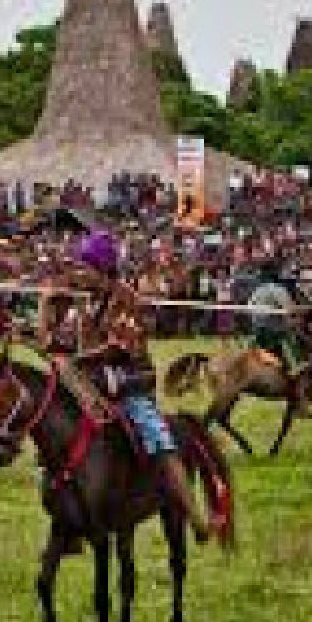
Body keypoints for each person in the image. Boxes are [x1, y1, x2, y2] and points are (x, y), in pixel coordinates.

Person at [67, 231, 212, 543]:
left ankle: (194, 514)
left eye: (86, 266)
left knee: (157, 438)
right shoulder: (90, 303)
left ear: (103, 267)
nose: (81, 272)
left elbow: (118, 347)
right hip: (97, 381)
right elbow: (79, 346)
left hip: (133, 379)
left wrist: (78, 359)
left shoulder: (126, 298)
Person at [247, 261, 312, 412]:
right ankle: (300, 400)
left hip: (257, 331)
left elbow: (249, 308)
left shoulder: (257, 291)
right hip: (275, 333)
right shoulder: (278, 290)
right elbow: (290, 310)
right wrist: (302, 311)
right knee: (300, 366)